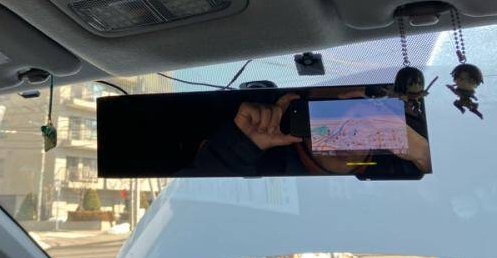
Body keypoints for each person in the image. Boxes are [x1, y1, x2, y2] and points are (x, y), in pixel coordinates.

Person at [180, 91, 431, 177]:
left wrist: (241, 145)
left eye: (361, 121)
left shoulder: (402, 161)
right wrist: (423, 152)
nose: (342, 137)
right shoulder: (270, 168)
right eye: (328, 114)